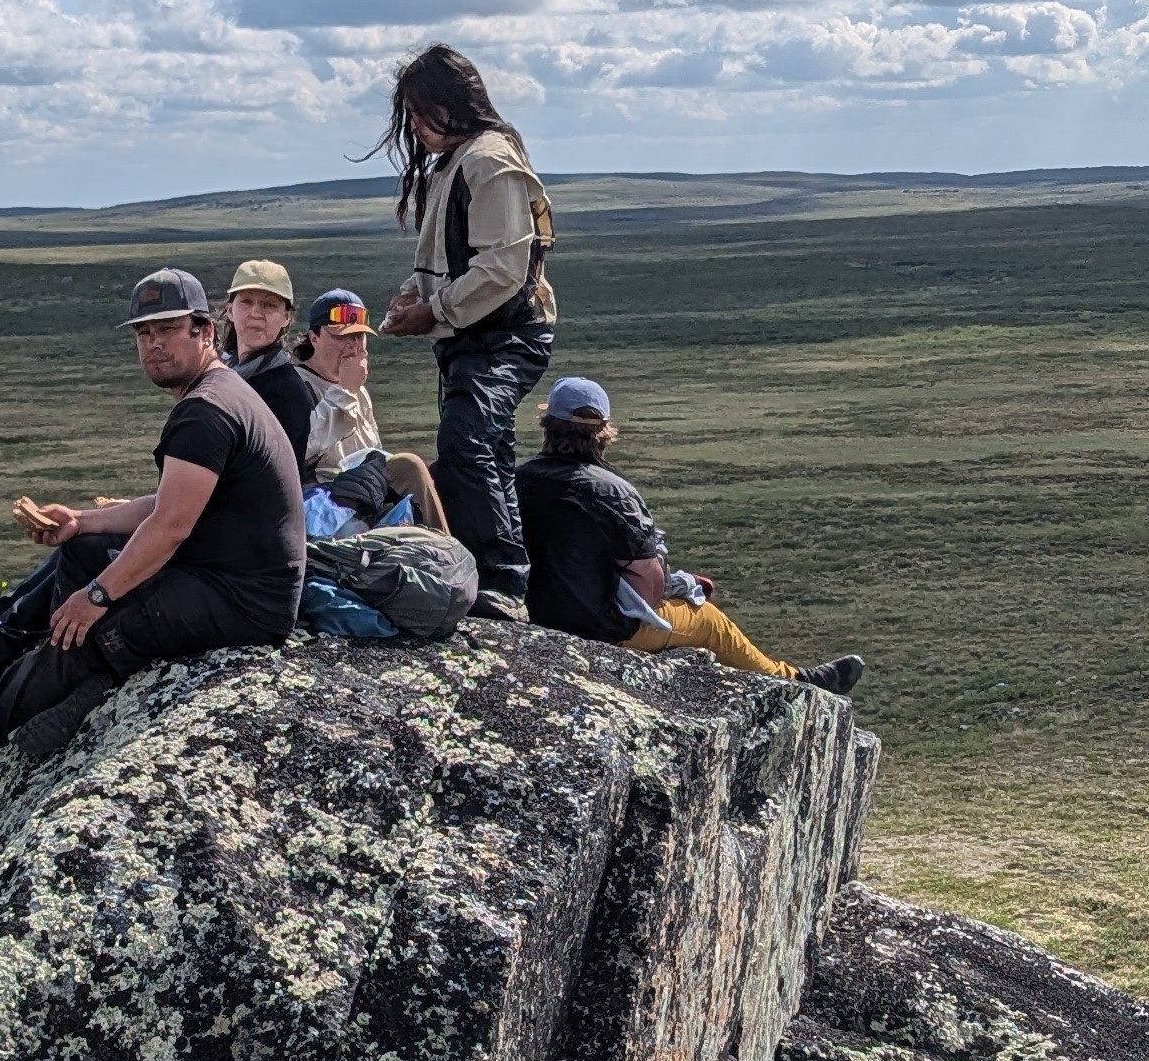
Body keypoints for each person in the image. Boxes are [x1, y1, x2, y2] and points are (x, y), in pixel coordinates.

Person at [0, 271, 305, 774]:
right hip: (225, 575)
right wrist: (81, 522)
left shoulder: (205, 412)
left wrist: (97, 597)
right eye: (144, 334)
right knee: (83, 551)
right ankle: (50, 679)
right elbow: (167, 503)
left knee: (89, 627)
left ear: (205, 332)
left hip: (243, 599)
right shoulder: (220, 390)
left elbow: (169, 527)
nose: (153, 345)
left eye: (168, 330)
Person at [513, 377, 861, 693]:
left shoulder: (516, 479)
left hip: (529, 618)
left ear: (548, 426)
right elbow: (647, 588)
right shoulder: (611, 491)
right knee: (710, 622)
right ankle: (794, 682)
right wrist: (676, 584)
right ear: (604, 432)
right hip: (598, 628)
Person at [375, 45, 555, 619]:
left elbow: (502, 267)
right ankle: (504, 579)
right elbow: (451, 259)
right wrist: (415, 295)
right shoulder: (462, 161)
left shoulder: (487, 160)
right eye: (412, 114)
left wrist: (433, 311)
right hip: (477, 335)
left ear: (453, 103)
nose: (417, 127)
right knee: (489, 449)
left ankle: (500, 582)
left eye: (423, 111)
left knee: (466, 441)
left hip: (504, 335)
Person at [295, 288, 446, 531]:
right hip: (321, 502)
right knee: (409, 466)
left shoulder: (360, 390)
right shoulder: (297, 384)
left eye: (359, 337)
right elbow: (301, 450)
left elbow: (371, 451)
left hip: (365, 489)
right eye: (342, 337)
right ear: (314, 338)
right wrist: (344, 391)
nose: (352, 347)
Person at [222, 259, 318, 472]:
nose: (256, 312)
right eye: (246, 301)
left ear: (287, 317)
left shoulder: (287, 392)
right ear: (230, 310)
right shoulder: (215, 377)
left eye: (269, 305)